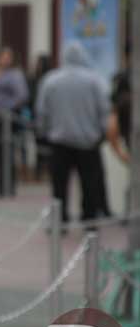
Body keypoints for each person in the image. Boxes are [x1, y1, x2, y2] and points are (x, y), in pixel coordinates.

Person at [35, 42, 111, 224]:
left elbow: (42, 111)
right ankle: (89, 220)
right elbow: (104, 110)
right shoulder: (94, 80)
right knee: (89, 184)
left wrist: (43, 133)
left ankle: (61, 221)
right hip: (88, 142)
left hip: (59, 142)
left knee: (59, 185)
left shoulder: (51, 80)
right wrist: (102, 132)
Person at [0, 47, 29, 196]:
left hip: (6, 119)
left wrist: (6, 108)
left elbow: (22, 95)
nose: (6, 60)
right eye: (3, 56)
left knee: (6, 153)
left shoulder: (15, 75)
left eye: (8, 57)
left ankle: (7, 187)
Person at [29, 55, 53, 181]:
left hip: (48, 120)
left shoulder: (50, 80)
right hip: (36, 118)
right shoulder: (33, 80)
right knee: (39, 148)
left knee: (49, 149)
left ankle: (49, 172)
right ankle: (38, 173)